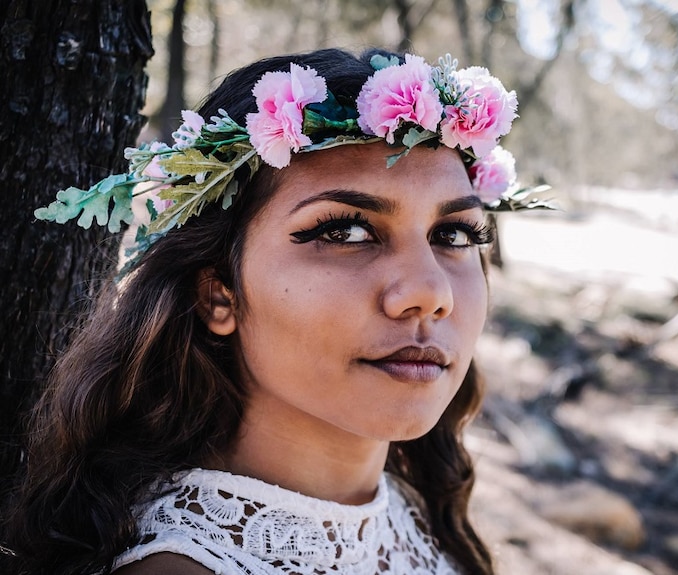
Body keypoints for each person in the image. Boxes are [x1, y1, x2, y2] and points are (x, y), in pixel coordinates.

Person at [1, 47, 545, 575]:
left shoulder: (420, 515)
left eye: (453, 233)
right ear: (219, 295)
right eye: (346, 231)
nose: (430, 293)